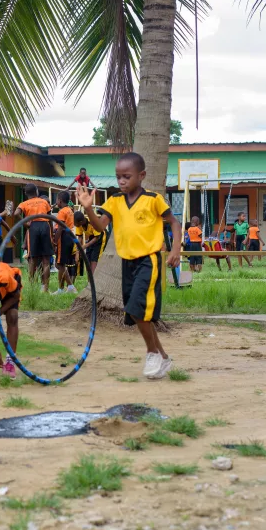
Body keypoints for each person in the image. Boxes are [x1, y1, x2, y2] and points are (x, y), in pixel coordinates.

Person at [76, 152, 182, 380]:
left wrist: (175, 249)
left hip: (149, 260)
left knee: (135, 308)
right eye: (118, 177)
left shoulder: (153, 199)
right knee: (136, 314)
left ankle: (152, 352)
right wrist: (88, 208)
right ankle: (162, 356)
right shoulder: (114, 201)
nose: (121, 181)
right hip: (128, 263)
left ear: (141, 176)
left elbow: (174, 222)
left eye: (126, 176)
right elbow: (100, 226)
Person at [14, 184, 53, 292]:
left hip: (33, 226)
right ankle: (45, 288)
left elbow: (16, 213)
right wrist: (52, 235)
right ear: (37, 192)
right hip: (45, 226)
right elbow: (50, 218)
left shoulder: (24, 203)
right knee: (46, 260)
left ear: (26, 193)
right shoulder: (44, 201)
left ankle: (31, 288)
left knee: (33, 259)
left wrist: (25, 223)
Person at [53, 191, 77, 294]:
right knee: (60, 264)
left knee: (60, 264)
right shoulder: (70, 210)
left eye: (57, 200)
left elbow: (60, 227)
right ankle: (63, 288)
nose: (56, 202)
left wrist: (54, 241)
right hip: (70, 237)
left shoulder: (62, 211)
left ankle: (68, 287)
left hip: (63, 238)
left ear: (60, 200)